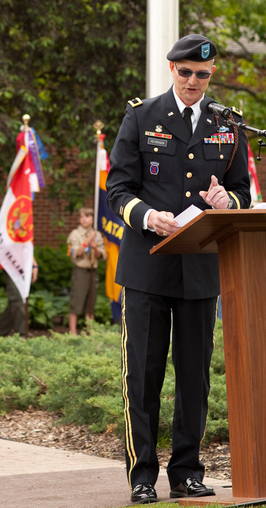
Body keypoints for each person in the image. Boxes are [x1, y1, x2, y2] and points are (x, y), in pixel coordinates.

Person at [106, 34, 250, 504]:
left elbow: (243, 191)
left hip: (201, 268)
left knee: (194, 377)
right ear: (172, 70)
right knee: (142, 374)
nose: (193, 81)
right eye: (185, 72)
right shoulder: (141, 116)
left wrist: (227, 201)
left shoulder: (228, 125)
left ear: (211, 77)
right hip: (147, 267)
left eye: (202, 75)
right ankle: (142, 475)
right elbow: (118, 188)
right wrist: (147, 216)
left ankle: (187, 471)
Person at [66, 206, 106, 334]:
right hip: (80, 271)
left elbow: (102, 256)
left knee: (91, 304)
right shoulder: (75, 234)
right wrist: (87, 241)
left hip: (92, 271)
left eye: (87, 216)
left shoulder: (97, 235)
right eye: (81, 216)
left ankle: (90, 333)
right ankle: (73, 334)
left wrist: (95, 248)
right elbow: (76, 253)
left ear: (92, 218)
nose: (84, 219)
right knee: (76, 301)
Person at [0, 259, 39, 338]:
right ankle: (21, 336)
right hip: (9, 259)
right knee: (17, 298)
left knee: (16, 300)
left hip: (22, 261)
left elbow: (25, 246)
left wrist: (33, 263)